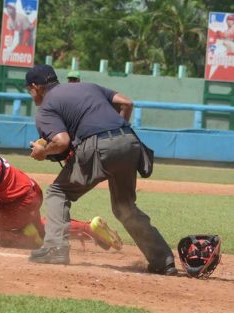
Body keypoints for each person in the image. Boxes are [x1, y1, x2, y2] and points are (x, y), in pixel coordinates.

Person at [24, 64, 177, 275]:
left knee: (59, 191)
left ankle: (55, 247)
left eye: (29, 90)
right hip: (129, 141)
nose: (31, 94)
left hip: (97, 145)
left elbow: (61, 141)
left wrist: (43, 152)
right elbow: (126, 103)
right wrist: (115, 132)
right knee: (124, 206)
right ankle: (163, 260)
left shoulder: (46, 108)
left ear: (35, 87)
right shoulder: (87, 86)